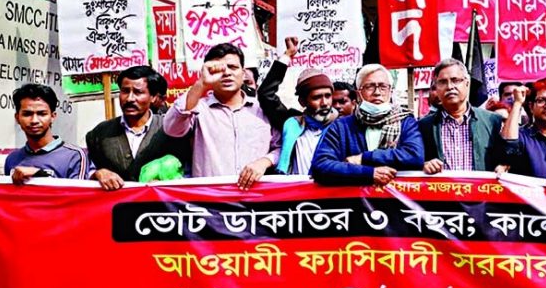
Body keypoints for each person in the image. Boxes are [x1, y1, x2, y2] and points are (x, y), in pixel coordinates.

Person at [163, 43, 280, 190]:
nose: (226, 73)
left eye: (233, 67)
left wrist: (264, 161)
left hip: (257, 203)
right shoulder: (197, 108)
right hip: (211, 202)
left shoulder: (262, 109)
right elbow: (171, 128)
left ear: (243, 73)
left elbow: (282, 147)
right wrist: (201, 84)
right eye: (218, 70)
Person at [311, 64, 424, 185]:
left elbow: (414, 156)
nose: (377, 93)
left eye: (383, 87)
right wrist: (368, 173)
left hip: (397, 201)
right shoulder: (341, 127)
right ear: (359, 93)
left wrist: (364, 158)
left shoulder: (406, 121)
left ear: (390, 91)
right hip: (354, 202)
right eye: (369, 87)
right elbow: (321, 165)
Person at [87, 66, 189, 190]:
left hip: (162, 206)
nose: (130, 99)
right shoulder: (100, 134)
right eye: (125, 91)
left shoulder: (171, 129)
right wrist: (98, 174)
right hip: (117, 207)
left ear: (153, 97)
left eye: (138, 92)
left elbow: (188, 170)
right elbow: (86, 173)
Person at [257, 37, 338, 175]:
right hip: (297, 194)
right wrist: (287, 56)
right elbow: (266, 95)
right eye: (316, 97)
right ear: (302, 102)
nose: (324, 103)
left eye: (328, 96)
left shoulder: (342, 125)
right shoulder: (292, 122)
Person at [419, 58, 510, 174]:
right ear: (436, 88)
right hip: (441, 190)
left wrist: (503, 165)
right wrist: (424, 165)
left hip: (481, 191)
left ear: (467, 83)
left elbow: (508, 156)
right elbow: (414, 160)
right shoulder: (424, 126)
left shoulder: (492, 121)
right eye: (442, 82)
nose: (450, 87)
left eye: (455, 80)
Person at [4, 84, 95, 184]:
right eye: (27, 114)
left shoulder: (75, 156)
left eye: (42, 114)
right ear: (17, 118)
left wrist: (40, 175)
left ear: (52, 116)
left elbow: (78, 196)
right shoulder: (12, 159)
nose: (34, 120)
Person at [501, 77, 546, 189]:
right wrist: (517, 103)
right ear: (531, 107)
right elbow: (507, 146)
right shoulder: (522, 136)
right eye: (541, 100)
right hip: (527, 204)